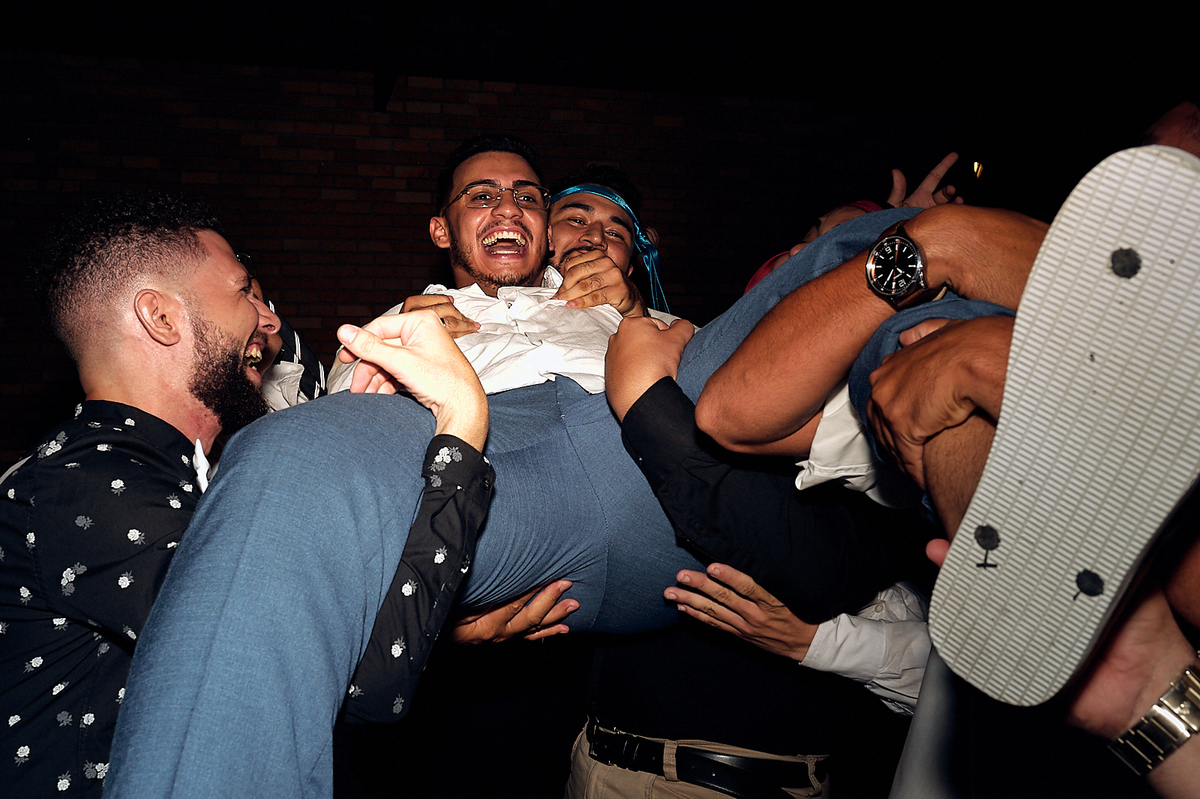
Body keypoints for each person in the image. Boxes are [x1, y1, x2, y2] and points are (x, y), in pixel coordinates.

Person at [106, 133, 966, 795]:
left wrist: (641, 314)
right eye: (481, 196)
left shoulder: (619, 303)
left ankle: (996, 460)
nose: (508, 207)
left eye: (527, 195)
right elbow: (353, 488)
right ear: (443, 228)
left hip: (657, 434)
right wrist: (427, 610)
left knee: (858, 260)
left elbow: (755, 375)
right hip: (511, 477)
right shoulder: (397, 325)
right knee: (287, 461)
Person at [0, 192, 281, 797]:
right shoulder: (89, 483)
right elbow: (301, 661)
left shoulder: (157, 470)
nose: (270, 319)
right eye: (244, 292)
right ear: (160, 317)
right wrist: (459, 426)